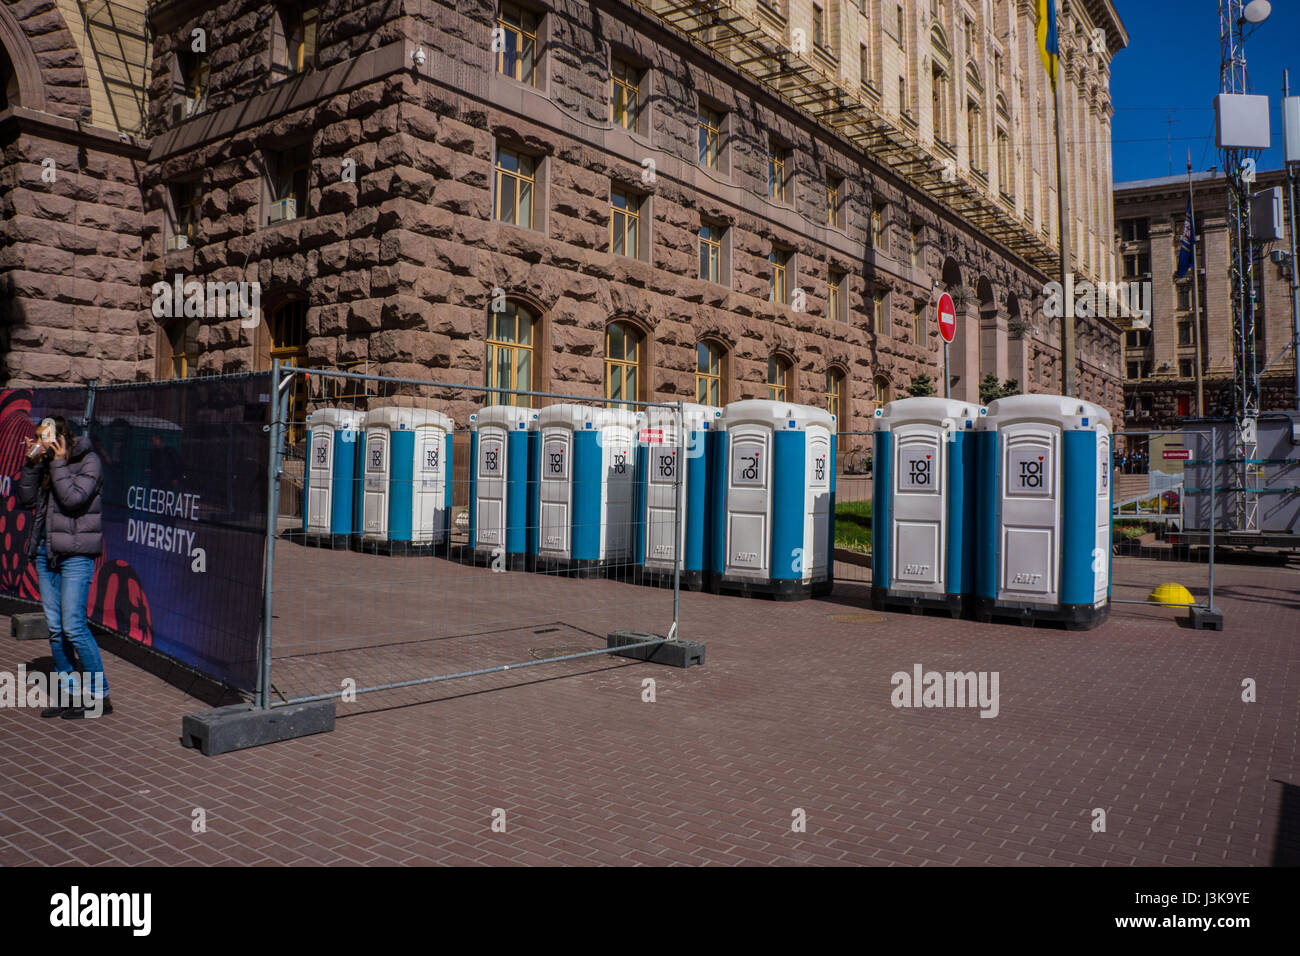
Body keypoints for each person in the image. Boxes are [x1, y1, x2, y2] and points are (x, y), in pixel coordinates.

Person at [17, 416, 112, 719]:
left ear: (62, 437)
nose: (41, 443)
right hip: (47, 553)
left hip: (75, 555)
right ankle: (70, 694)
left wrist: (56, 462)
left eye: (45, 438)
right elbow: (26, 497)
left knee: (73, 626)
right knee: (56, 630)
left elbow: (72, 500)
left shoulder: (90, 460)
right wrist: (32, 463)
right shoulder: (46, 462)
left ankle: (99, 696)